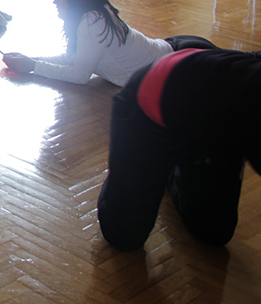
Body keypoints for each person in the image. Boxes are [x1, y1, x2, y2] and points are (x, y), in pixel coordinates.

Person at [97, 47, 260, 251]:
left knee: (213, 233)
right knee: (124, 236)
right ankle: (126, 172)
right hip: (151, 106)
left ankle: (172, 168)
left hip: (213, 130)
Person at [1, 0, 216, 86]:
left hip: (180, 63)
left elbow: (80, 75)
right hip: (175, 49)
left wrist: (33, 66)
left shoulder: (92, 22)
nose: (55, 1)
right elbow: (75, 58)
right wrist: (33, 60)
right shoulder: (93, 13)